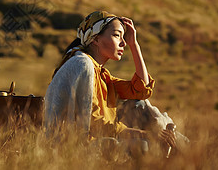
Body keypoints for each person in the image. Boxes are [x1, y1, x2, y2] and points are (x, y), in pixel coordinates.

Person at [44, 11, 176, 155]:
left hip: (98, 141)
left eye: (123, 37)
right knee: (143, 145)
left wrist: (134, 45)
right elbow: (92, 123)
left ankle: (184, 152)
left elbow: (141, 91)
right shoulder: (82, 64)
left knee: (140, 105)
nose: (123, 42)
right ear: (95, 39)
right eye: (116, 35)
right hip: (77, 148)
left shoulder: (102, 74)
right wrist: (145, 134)